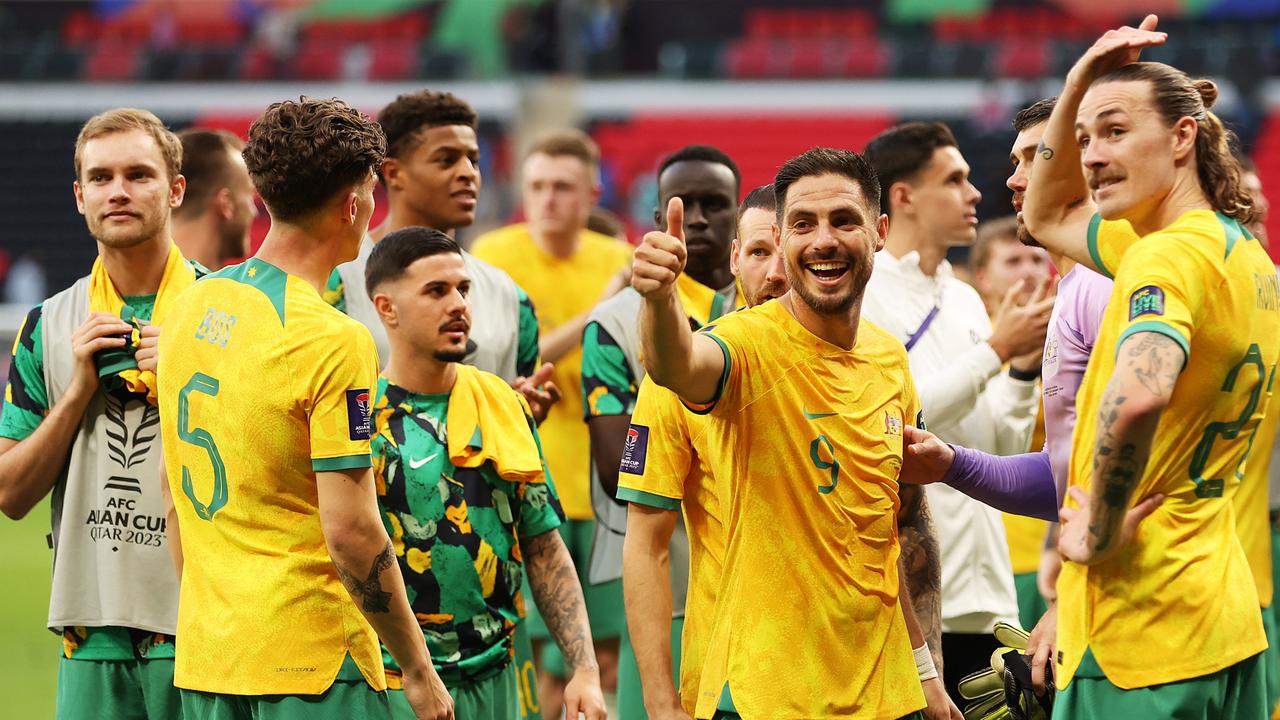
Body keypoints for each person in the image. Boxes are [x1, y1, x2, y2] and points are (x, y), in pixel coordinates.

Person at [157, 97, 453, 720]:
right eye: (370, 193)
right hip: (311, 664)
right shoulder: (333, 338)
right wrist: (419, 670)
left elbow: (170, 492)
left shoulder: (187, 303)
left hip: (211, 657)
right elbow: (349, 531)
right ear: (353, 203)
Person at [619, 183, 958, 720]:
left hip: (879, 682)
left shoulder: (883, 359)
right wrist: (659, 703)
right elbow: (645, 544)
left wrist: (924, 672)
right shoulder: (699, 368)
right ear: (735, 258)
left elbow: (888, 533)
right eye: (759, 253)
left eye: (783, 252)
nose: (777, 272)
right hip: (748, 680)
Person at [1020, 16, 1278, 716]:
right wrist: (1079, 85)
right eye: (1082, 140)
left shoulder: (1160, 259)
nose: (1093, 156)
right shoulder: (1247, 260)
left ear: (1183, 136)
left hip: (1139, 629)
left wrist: (1093, 533)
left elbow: (1137, 397)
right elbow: (1043, 216)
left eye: (1114, 131)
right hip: (1225, 615)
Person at [362, 227, 607, 720]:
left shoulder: (501, 403)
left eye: (463, 289)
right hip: (399, 684)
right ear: (386, 308)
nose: (458, 305)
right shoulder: (362, 418)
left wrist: (584, 668)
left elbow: (542, 544)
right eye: (436, 291)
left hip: (500, 673)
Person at [0, 108, 195, 720]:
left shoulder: (226, 317)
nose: (119, 191)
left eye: (139, 174)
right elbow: (10, 492)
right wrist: (79, 389)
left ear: (176, 189)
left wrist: (190, 383)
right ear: (80, 196)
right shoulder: (46, 326)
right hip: (90, 634)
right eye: (102, 177)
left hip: (205, 629)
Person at [862, 122, 1051, 701]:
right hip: (913, 593)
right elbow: (889, 422)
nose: (975, 193)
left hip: (987, 588)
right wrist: (994, 351)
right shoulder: (867, 295)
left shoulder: (964, 296)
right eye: (955, 179)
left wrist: (1019, 367)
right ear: (903, 196)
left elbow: (1001, 446)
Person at [470, 131, 632, 713]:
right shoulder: (492, 256)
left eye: (563, 187)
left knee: (608, 655)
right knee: (544, 656)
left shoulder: (617, 258)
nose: (548, 199)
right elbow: (517, 365)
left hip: (606, 486)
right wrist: (601, 311)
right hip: (528, 479)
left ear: (592, 193)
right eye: (536, 186)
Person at [579, 145, 742, 720]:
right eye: (683, 205)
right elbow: (615, 464)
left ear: (739, 216)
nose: (697, 218)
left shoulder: (770, 309)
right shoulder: (615, 323)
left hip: (763, 599)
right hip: (672, 591)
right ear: (657, 220)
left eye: (714, 205)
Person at [324, 90, 551, 415]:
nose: (467, 173)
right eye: (446, 159)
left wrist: (525, 412)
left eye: (473, 159)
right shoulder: (336, 281)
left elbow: (520, 425)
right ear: (393, 173)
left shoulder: (511, 298)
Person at [968, 215, 1055, 632]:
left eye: (1037, 259)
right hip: (993, 549)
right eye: (1013, 261)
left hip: (1057, 539)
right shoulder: (969, 341)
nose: (1029, 271)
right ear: (982, 276)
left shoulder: (1070, 331)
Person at [172, 128, 258, 269]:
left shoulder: (139, 284)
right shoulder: (240, 290)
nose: (254, 211)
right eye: (249, 195)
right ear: (226, 204)